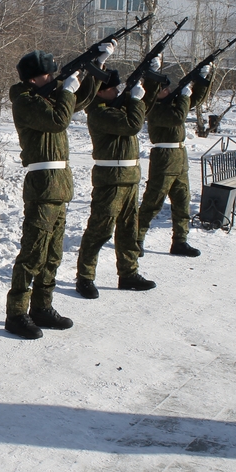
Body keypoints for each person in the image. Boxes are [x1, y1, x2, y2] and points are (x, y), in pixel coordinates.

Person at [3, 45, 110, 339]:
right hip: (42, 184)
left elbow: (80, 100)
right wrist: (67, 89)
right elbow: (59, 119)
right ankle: (16, 314)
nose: (53, 76)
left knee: (53, 254)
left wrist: (94, 70)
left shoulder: (47, 97)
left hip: (60, 185)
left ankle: (42, 307)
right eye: (48, 73)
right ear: (34, 79)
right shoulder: (25, 101)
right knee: (32, 254)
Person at [75, 70, 156, 300]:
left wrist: (147, 83)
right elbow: (133, 124)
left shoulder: (118, 107)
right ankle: (85, 277)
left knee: (129, 228)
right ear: (100, 92)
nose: (117, 91)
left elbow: (143, 110)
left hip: (130, 175)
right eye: (113, 89)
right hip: (111, 178)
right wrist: (134, 100)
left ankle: (128, 273)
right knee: (100, 229)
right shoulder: (99, 112)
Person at [136, 64, 213, 257]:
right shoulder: (154, 109)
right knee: (153, 202)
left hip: (179, 157)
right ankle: (136, 239)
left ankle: (180, 241)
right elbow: (179, 117)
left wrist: (202, 79)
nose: (167, 91)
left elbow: (195, 100)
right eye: (163, 89)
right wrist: (184, 96)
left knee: (182, 201)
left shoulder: (172, 103)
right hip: (164, 158)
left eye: (168, 88)